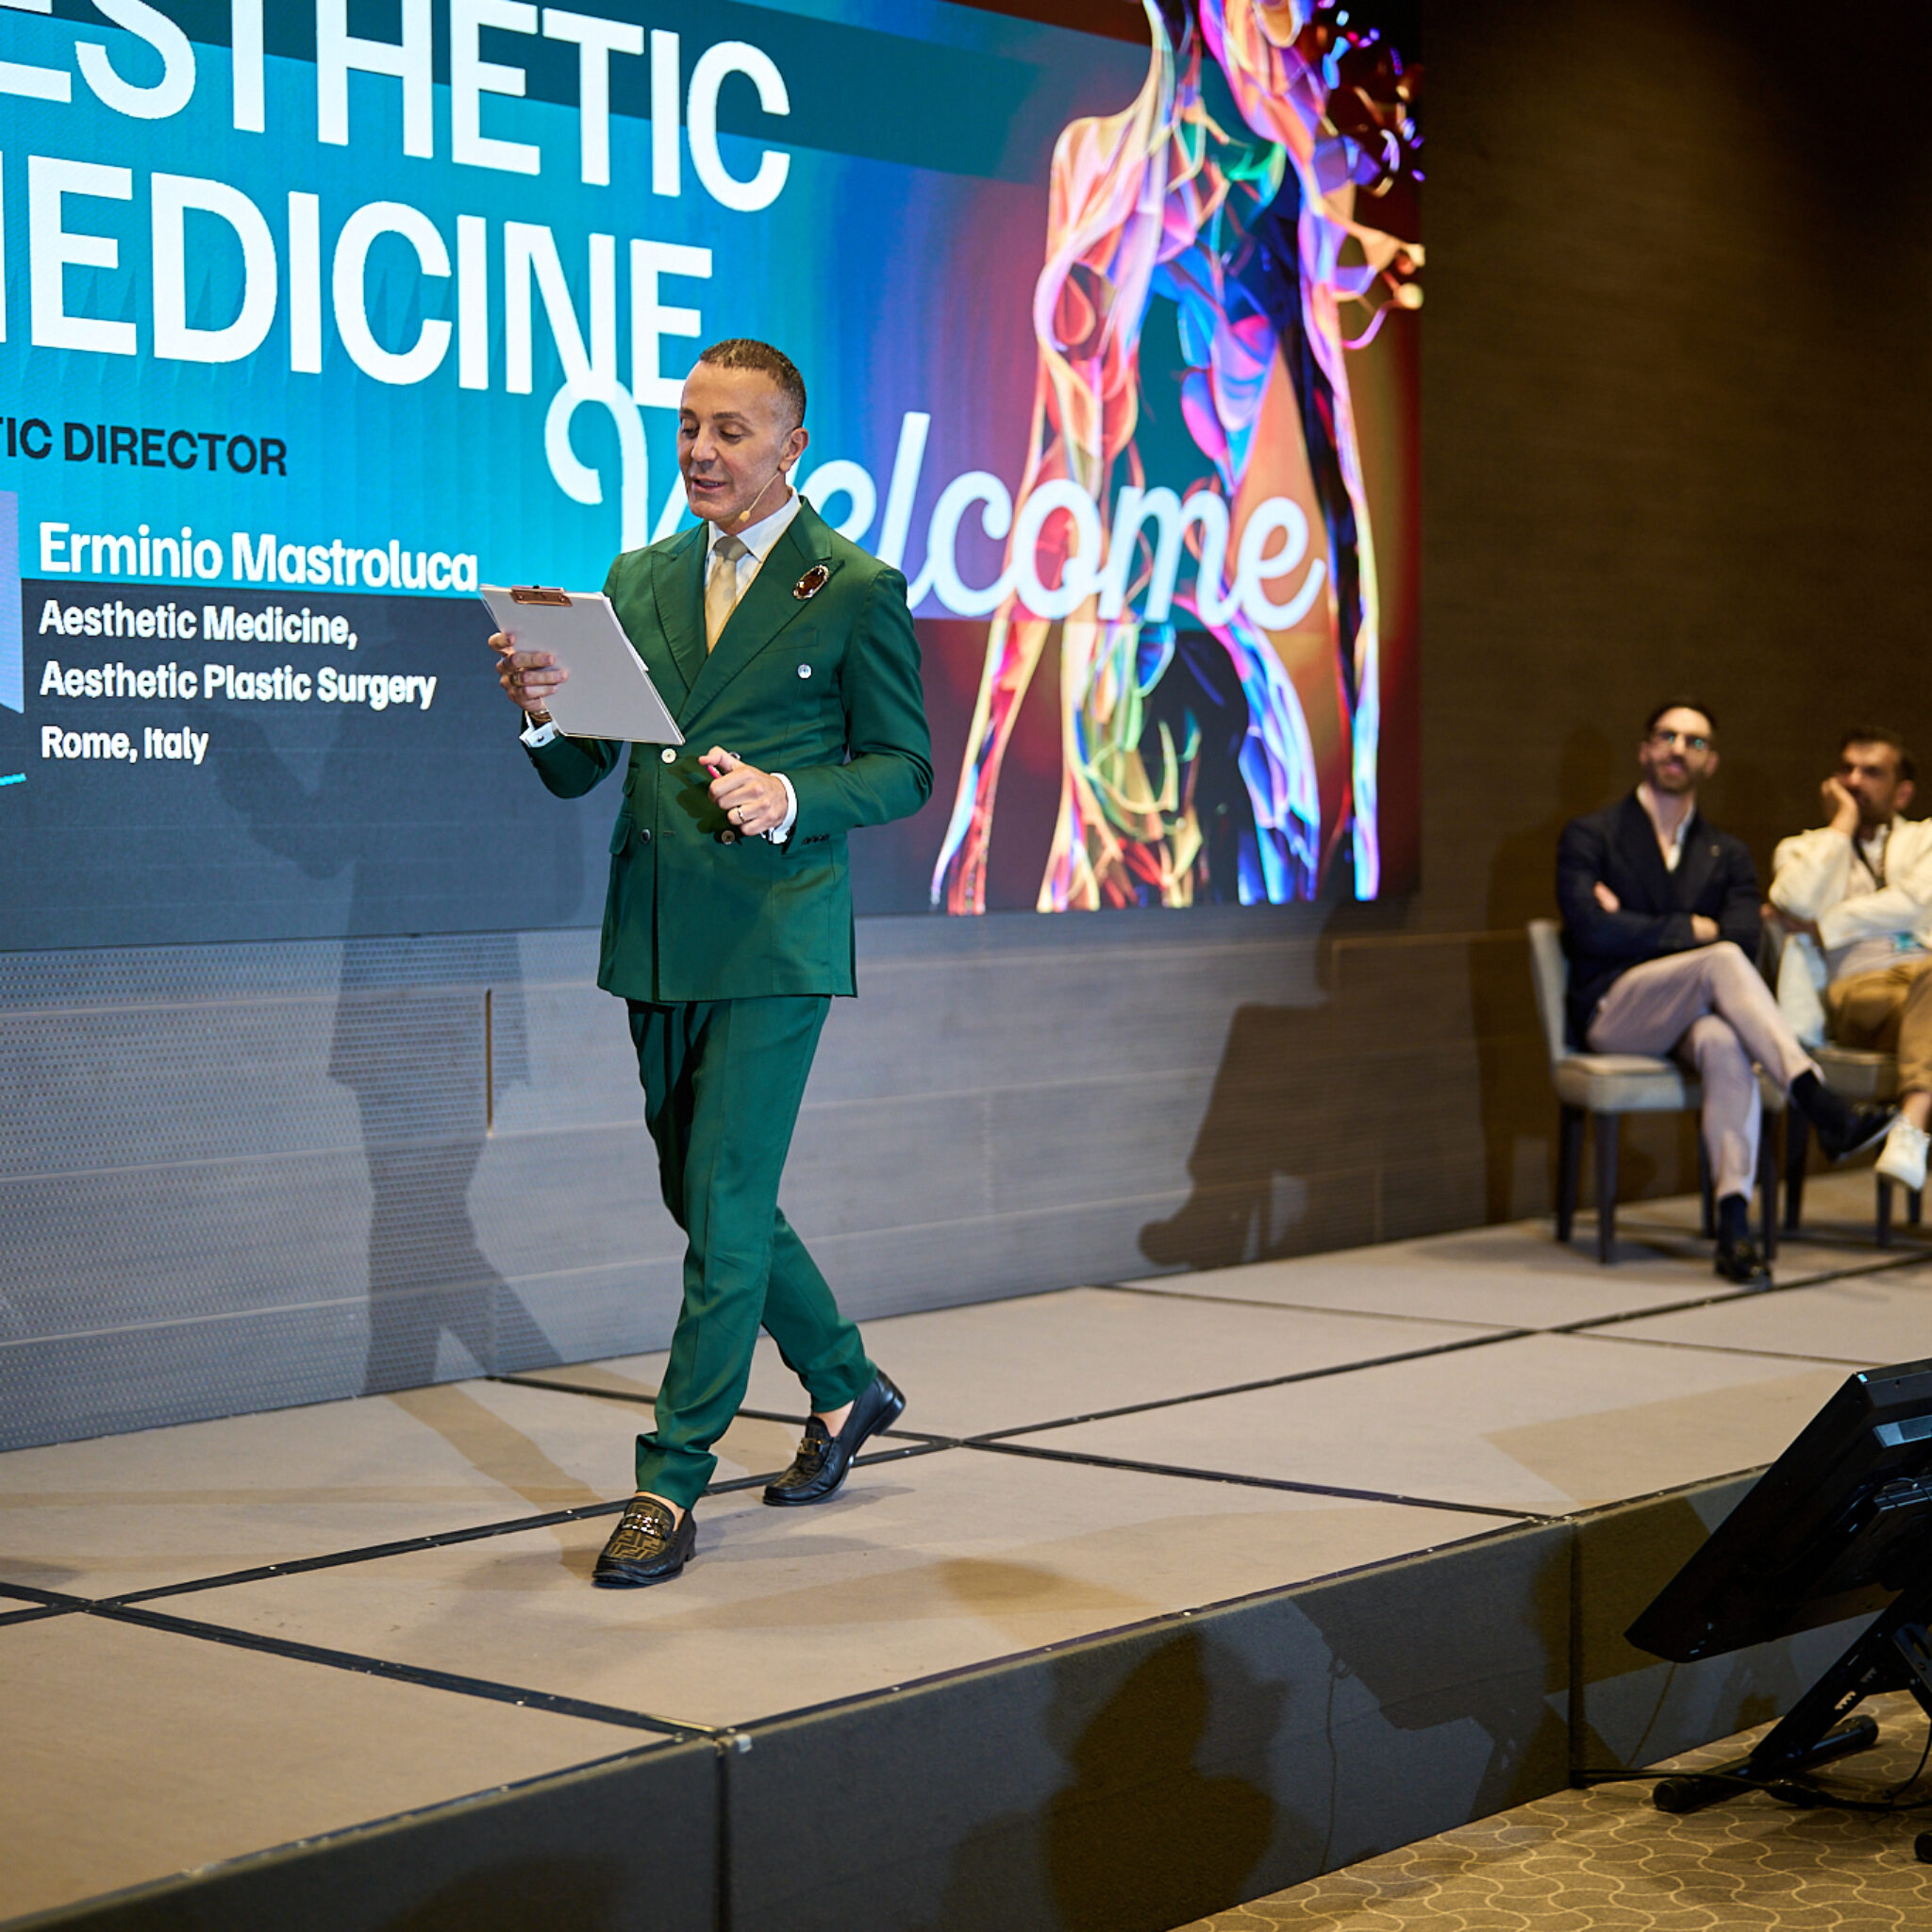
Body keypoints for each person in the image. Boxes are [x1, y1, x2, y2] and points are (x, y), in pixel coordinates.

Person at [490, 340, 933, 1585]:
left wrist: (791, 794)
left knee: (725, 1207)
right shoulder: (636, 577)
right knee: (703, 1192)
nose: (699, 450)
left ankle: (668, 1479)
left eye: (730, 430)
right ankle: (844, 1380)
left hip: (776, 933)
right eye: (688, 425)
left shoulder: (853, 586)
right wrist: (542, 707)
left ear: (792, 445)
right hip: (656, 928)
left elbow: (903, 767)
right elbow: (586, 767)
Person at [1557, 700, 1890, 1282]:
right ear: (1645, 749)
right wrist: (1690, 929)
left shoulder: (1726, 852)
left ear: (1710, 762)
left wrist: (1633, 924)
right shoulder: (1592, 835)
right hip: (1616, 1012)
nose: (1678, 749)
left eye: (1695, 741)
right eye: (1667, 736)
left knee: (1725, 1042)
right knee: (1717, 961)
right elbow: (1588, 929)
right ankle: (1819, 1101)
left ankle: (1734, 1225)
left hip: (1693, 1018)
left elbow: (1741, 936)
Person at [1770, 729, 1932, 1192]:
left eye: (1872, 772)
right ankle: (1912, 1126)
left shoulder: (1926, 838)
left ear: (1902, 793)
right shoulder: (1802, 849)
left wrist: (1826, 923)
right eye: (1847, 770)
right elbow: (1795, 900)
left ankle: (1910, 1126)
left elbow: (1916, 902)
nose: (1855, 781)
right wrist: (1841, 825)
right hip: (1859, 990)